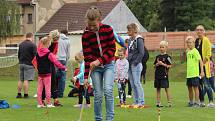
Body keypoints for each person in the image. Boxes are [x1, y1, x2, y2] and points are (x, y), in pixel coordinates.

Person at [82, 6, 116, 121]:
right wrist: (86, 77)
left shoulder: (108, 29)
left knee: (108, 90)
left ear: (99, 20)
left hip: (108, 65)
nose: (92, 28)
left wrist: (99, 61)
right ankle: (98, 119)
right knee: (98, 95)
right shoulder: (86, 35)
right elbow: (87, 58)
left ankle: (110, 118)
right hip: (95, 69)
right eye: (89, 25)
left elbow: (112, 50)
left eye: (94, 25)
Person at [36, 36, 66, 108]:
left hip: (40, 73)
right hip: (47, 74)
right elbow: (56, 62)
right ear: (48, 44)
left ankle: (40, 104)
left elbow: (36, 62)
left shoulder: (37, 53)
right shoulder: (49, 54)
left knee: (39, 89)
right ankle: (49, 103)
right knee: (47, 89)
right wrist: (63, 67)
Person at [41, 30, 62, 106]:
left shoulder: (49, 42)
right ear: (55, 37)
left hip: (46, 64)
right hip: (48, 64)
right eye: (58, 37)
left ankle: (52, 100)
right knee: (50, 82)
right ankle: (45, 100)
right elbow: (52, 55)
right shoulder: (51, 43)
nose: (58, 38)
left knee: (51, 82)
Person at [195, 25, 214, 107]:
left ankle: (211, 102)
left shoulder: (206, 40)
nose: (199, 31)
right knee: (199, 84)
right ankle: (201, 101)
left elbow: (209, 54)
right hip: (198, 66)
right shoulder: (196, 40)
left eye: (201, 30)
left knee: (207, 84)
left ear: (204, 31)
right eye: (198, 30)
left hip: (206, 66)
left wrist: (202, 63)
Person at [127, 23, 145, 106]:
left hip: (136, 64)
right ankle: (135, 101)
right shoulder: (130, 40)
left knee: (137, 83)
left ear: (134, 30)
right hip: (129, 64)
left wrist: (135, 62)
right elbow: (130, 51)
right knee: (132, 83)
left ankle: (141, 102)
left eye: (129, 30)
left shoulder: (139, 39)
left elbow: (141, 53)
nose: (127, 32)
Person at [16, 33, 37, 98]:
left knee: (20, 79)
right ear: (32, 36)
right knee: (26, 80)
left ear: (26, 36)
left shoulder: (21, 44)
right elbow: (35, 56)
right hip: (29, 64)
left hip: (21, 63)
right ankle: (26, 95)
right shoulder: (33, 45)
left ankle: (19, 94)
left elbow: (19, 54)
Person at [185, 36, 204, 107]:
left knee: (196, 88)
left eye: (190, 42)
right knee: (189, 88)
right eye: (187, 43)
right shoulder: (188, 52)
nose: (189, 44)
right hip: (189, 74)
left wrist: (202, 71)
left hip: (195, 74)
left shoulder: (195, 51)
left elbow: (200, 61)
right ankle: (191, 102)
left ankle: (197, 102)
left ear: (193, 43)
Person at [154, 41, 172, 107]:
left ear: (166, 48)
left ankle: (169, 102)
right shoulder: (157, 57)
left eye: (163, 47)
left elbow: (170, 65)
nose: (161, 48)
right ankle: (158, 102)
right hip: (157, 75)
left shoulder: (167, 57)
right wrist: (157, 64)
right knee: (158, 89)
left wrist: (163, 64)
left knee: (166, 88)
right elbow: (154, 66)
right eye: (160, 47)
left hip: (164, 75)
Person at [57, 29, 71, 98]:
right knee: (62, 78)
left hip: (56, 59)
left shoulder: (57, 39)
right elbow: (68, 53)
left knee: (56, 77)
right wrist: (66, 60)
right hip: (64, 59)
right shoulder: (68, 41)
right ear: (66, 34)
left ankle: (54, 92)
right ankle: (60, 94)